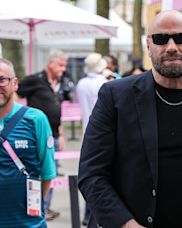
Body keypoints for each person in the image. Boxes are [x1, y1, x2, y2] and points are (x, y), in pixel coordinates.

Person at [78, 10, 182, 228]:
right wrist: (127, 224)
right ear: (148, 45)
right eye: (161, 39)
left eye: (181, 38)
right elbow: (91, 174)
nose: (171, 47)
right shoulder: (115, 97)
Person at [0, 58, 56, 227]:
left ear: (15, 83)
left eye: (2, 79)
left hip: (28, 223)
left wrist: (34, 206)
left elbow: (47, 172)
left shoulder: (35, 119)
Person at [16, 49, 71, 221]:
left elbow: (58, 109)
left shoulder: (61, 82)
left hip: (53, 135)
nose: (63, 69)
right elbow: (15, 92)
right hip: (35, 134)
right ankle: (34, 206)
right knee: (34, 171)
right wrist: (20, 117)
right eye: (60, 65)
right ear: (50, 63)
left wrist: (61, 134)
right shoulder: (35, 80)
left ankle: (44, 207)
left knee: (51, 172)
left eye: (65, 65)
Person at [75, 53, 108, 226]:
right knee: (99, 174)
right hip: (101, 133)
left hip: (86, 130)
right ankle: (92, 214)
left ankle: (87, 214)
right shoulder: (102, 82)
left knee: (89, 172)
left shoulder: (81, 83)